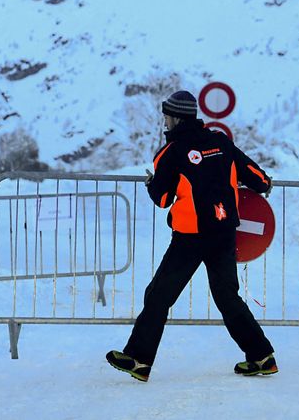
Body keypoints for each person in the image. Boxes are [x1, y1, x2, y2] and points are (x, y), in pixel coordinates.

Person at [106, 90, 277, 382]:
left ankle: (138, 359)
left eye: (166, 117)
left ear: (173, 118)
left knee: (159, 295)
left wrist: (151, 183)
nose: (165, 122)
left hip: (190, 238)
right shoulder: (221, 143)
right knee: (227, 297)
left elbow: (162, 199)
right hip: (224, 234)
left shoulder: (170, 153)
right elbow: (259, 180)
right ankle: (262, 356)